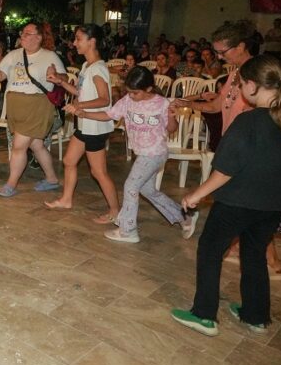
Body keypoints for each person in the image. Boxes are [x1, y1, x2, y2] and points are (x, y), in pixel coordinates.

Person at [170, 55, 281, 336]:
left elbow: (225, 170)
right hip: (275, 204)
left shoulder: (248, 122)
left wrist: (195, 195)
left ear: (253, 86)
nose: (240, 90)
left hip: (239, 201)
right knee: (254, 253)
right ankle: (255, 315)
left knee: (210, 250)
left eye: (241, 84)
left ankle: (204, 315)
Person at [70, 66, 198, 243]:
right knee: (148, 189)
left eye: (135, 93)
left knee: (130, 186)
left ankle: (128, 230)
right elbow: (109, 115)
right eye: (129, 92)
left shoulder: (162, 103)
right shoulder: (127, 101)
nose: (131, 96)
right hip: (143, 153)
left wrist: (170, 116)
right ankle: (184, 216)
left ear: (148, 89)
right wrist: (84, 114)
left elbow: (172, 129)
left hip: (154, 153)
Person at [43, 24, 119, 223]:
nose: (74, 43)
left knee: (98, 172)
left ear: (91, 41)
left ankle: (116, 211)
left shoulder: (98, 69)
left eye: (78, 39)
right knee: (69, 161)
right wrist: (61, 83)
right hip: (85, 125)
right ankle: (66, 200)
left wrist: (79, 108)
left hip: (95, 127)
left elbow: (104, 100)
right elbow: (80, 92)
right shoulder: (86, 66)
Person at [0, 22, 63, 198]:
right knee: (37, 145)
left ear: (38, 37)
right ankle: (52, 179)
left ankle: (11, 184)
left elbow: (63, 78)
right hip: (16, 107)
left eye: (27, 33)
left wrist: (55, 76)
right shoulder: (14, 54)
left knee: (19, 147)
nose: (22, 36)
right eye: (23, 33)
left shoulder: (49, 56)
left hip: (37, 106)